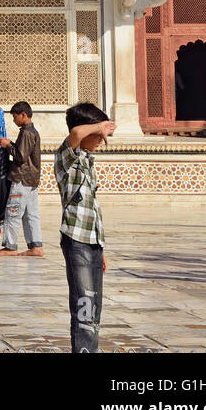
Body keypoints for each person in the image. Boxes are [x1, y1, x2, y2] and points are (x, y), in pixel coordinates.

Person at [56, 102, 116, 352]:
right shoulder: (66, 158)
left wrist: (100, 248)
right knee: (83, 302)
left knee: (95, 304)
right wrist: (98, 126)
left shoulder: (88, 161)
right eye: (98, 135)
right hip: (75, 239)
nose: (101, 139)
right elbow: (75, 135)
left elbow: (92, 208)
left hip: (91, 241)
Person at [0, 101, 43, 257]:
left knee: (13, 212)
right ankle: (36, 246)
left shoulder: (27, 132)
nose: (14, 121)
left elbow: (20, 156)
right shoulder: (31, 132)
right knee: (30, 214)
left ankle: (10, 246)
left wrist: (8, 145)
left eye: (15, 117)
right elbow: (24, 152)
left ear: (23, 115)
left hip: (22, 178)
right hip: (31, 179)